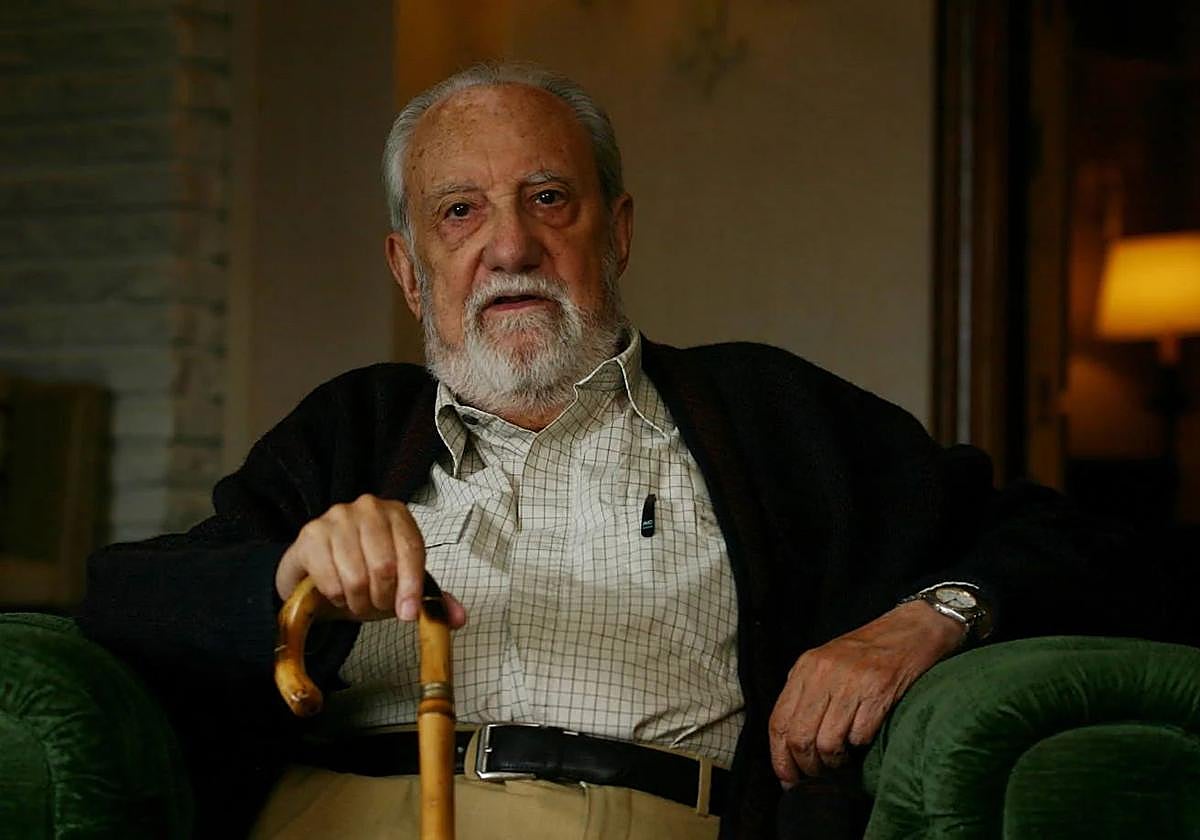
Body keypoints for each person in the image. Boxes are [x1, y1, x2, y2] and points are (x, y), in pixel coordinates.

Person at [79, 63, 1133, 840]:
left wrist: (929, 616)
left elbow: (1082, 544)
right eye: (460, 213)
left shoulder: (768, 413)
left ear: (616, 232)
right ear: (408, 269)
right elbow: (125, 599)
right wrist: (289, 574)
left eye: (548, 199)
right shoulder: (350, 427)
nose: (510, 246)